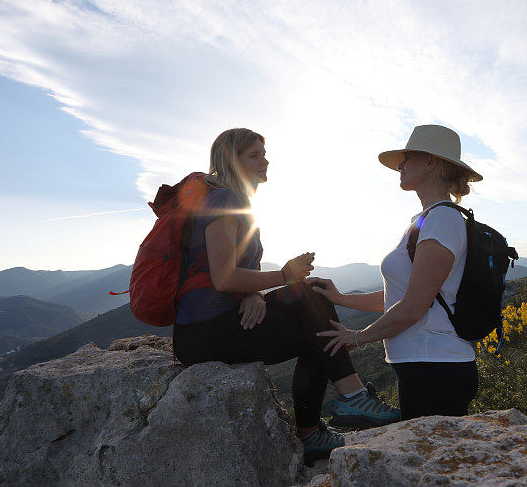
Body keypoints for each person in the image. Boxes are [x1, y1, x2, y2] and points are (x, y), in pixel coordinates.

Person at [172, 128, 399, 464]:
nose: (265, 160)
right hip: (204, 332)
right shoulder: (225, 200)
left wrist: (255, 292)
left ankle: (343, 403)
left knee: (313, 292)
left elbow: (232, 271)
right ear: (233, 160)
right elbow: (223, 278)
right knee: (315, 335)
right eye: (255, 155)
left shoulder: (233, 200)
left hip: (223, 317)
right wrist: (284, 275)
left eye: (264, 153)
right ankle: (336, 410)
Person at [312, 124, 482, 421]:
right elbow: (400, 297)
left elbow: (414, 306)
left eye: (407, 158)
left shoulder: (441, 220)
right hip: (428, 365)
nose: (400, 165)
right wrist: (340, 299)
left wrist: (358, 337)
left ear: (431, 162)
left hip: (435, 367)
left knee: (430, 463)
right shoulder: (430, 219)